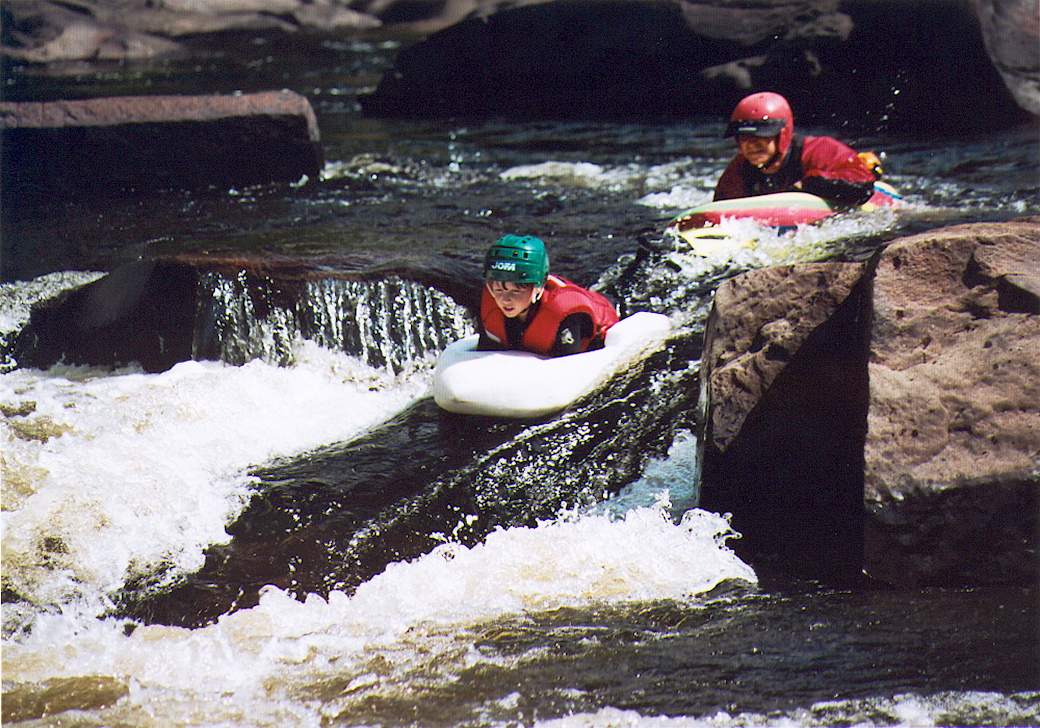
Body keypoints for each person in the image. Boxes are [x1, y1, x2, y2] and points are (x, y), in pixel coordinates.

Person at [714, 91, 879, 206]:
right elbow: (720, 207)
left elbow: (863, 187)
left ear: (783, 134)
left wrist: (808, 184)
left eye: (762, 136)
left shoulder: (820, 150)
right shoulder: (738, 170)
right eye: (744, 138)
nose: (751, 145)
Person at [479, 234, 619, 357]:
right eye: (498, 290)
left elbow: (567, 370)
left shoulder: (564, 312)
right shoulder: (489, 300)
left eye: (516, 291)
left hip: (608, 314)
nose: (505, 299)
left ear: (537, 287)